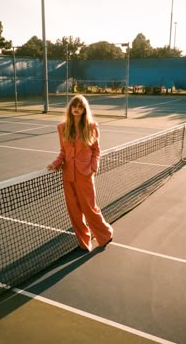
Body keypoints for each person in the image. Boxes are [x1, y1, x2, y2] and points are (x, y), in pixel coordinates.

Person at [47, 94, 113, 252]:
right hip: (68, 175)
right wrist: (56, 163)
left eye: (80, 107)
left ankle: (105, 234)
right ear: (70, 108)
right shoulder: (62, 127)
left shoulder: (92, 126)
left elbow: (96, 150)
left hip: (85, 175)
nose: (76, 109)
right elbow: (63, 152)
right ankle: (84, 241)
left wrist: (93, 167)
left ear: (84, 109)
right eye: (74, 106)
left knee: (89, 208)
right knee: (74, 211)